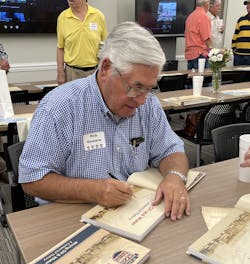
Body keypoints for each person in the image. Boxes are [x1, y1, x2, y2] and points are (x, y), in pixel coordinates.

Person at [19, 21, 190, 221]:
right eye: (136, 87)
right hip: (69, 218)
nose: (142, 100)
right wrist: (93, 190)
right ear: (106, 69)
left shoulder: (148, 105)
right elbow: (32, 179)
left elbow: (171, 150)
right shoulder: (60, 107)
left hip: (135, 213)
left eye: (149, 89)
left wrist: (175, 177)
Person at [57, 0, 107, 85]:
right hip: (71, 73)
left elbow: (105, 45)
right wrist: (60, 72)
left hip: (94, 73)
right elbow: (60, 48)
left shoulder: (98, 15)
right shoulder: (63, 17)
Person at [184, 0, 211, 70]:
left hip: (190, 55)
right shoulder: (203, 16)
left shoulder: (190, 16)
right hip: (200, 55)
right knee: (203, 79)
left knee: (192, 80)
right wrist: (212, 52)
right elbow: (206, 38)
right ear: (206, 4)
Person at [232, 0, 250, 66]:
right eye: (247, 4)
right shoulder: (241, 19)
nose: (247, 6)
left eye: (249, 4)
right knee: (237, 76)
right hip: (239, 56)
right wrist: (234, 49)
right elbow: (235, 35)